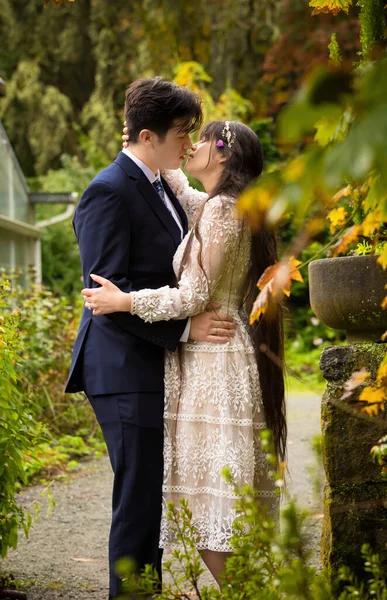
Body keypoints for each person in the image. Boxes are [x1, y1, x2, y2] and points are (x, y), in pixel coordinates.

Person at [82, 119, 287, 586]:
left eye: (198, 139)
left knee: (211, 495)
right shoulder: (222, 206)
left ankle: (244, 593)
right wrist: (147, 145)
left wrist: (125, 300)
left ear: (220, 154)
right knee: (216, 493)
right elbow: (181, 192)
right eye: (182, 138)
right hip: (220, 354)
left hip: (213, 358)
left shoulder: (219, 213)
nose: (189, 146)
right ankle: (252, 591)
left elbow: (193, 297)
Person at [65, 78, 236, 600]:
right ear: (146, 135)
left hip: (147, 363)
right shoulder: (108, 190)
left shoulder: (163, 184)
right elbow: (105, 295)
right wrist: (187, 328)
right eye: (182, 134)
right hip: (120, 367)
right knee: (139, 500)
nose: (189, 144)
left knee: (151, 499)